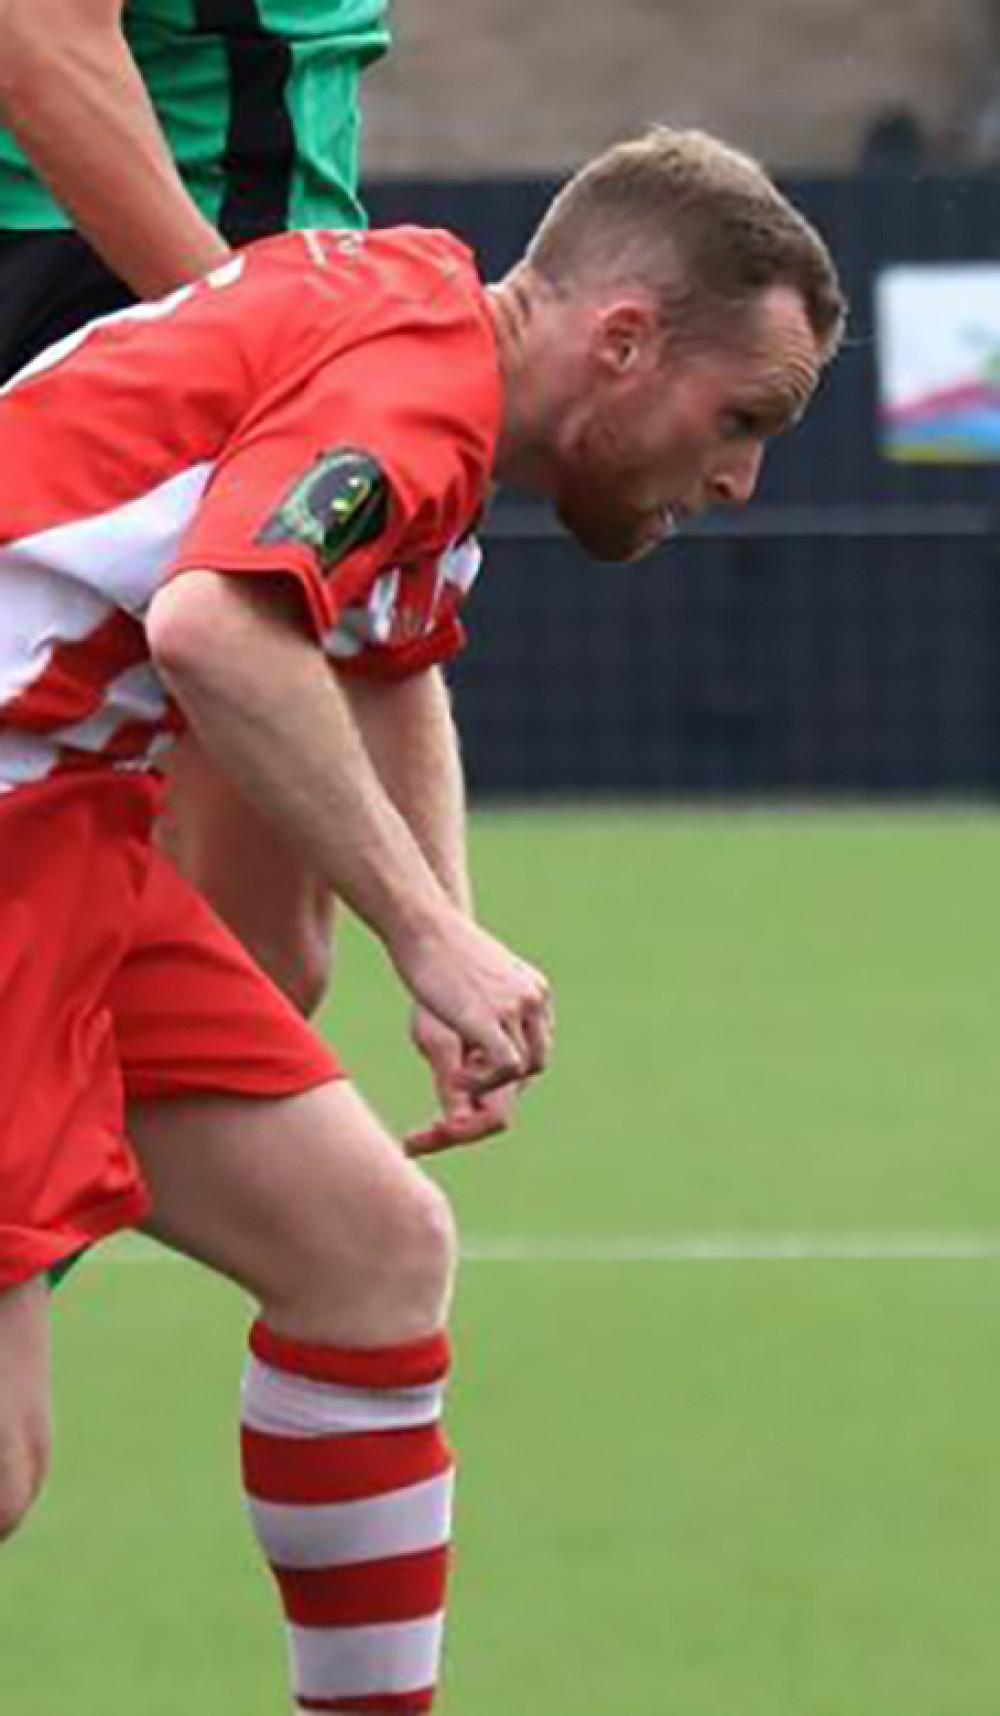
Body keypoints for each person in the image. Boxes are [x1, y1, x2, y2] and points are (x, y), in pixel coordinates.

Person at [0, 127, 845, 1713]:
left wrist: (441, 943)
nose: (739, 479)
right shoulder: (419, 385)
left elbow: (389, 656)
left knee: (371, 1249)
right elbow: (219, 628)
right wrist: (431, 936)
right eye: (742, 422)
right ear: (622, 342)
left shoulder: (435, 340)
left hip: (64, 825)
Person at [0, 0, 391, 1025]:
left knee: (257, 960)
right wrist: (246, 337)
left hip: (269, 283)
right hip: (127, 276)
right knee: (199, 961)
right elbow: (39, 39)